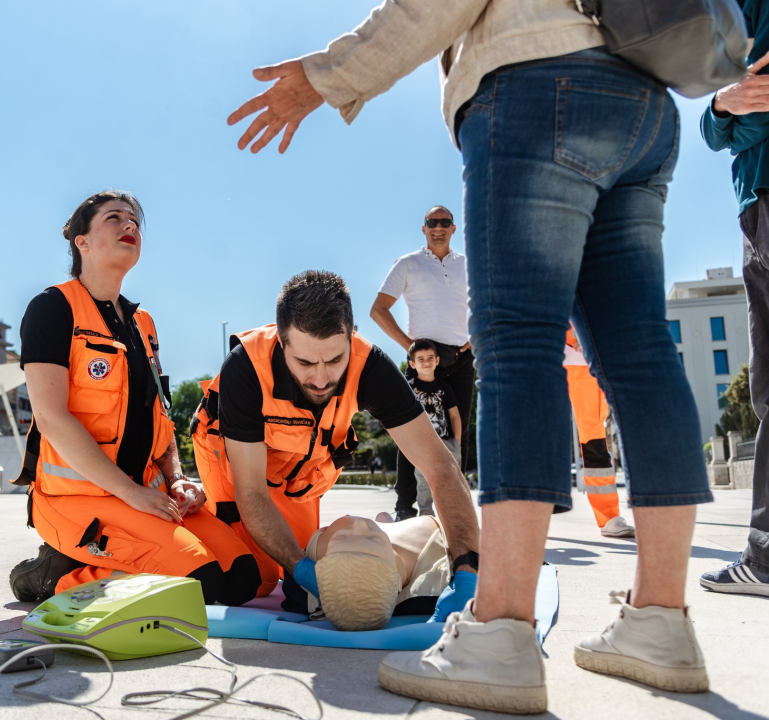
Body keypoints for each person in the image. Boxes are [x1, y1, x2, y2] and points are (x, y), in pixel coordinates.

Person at [228, 0, 712, 711]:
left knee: (517, 348)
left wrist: (326, 77)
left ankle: (500, 635)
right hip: (645, 105)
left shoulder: (364, 358)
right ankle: (660, 622)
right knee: (640, 352)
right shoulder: (265, 361)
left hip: (537, 87)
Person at [8, 190, 261, 607]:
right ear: (82, 241)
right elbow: (51, 417)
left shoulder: (143, 324)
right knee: (201, 583)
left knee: (246, 578)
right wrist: (130, 492)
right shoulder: (53, 307)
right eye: (114, 218)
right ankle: (58, 575)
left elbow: (159, 417)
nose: (129, 225)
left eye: (134, 221)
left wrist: (177, 479)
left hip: (144, 495)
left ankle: (110, 555)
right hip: (76, 500)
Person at [190, 270, 480, 621]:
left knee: (312, 558)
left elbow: (439, 465)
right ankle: (184, 514)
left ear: (350, 338)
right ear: (282, 343)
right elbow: (251, 491)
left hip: (295, 470)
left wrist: (468, 570)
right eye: (305, 362)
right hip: (236, 461)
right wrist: (300, 569)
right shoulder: (246, 369)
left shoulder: (371, 367)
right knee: (254, 578)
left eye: (335, 360)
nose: (321, 379)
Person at [700, 0, 769, 597]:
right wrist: (724, 106)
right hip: (756, 203)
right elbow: (715, 121)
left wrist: (727, 115)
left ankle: (767, 559)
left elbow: (749, 111)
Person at [370, 205, 473, 519]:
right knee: (411, 432)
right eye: (432, 222)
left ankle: (454, 508)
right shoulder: (408, 263)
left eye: (444, 222)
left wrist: (476, 336)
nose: (438, 227)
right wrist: (410, 347)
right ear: (424, 228)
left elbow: (489, 303)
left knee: (458, 434)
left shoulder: (468, 265)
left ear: (453, 228)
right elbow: (378, 309)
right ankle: (405, 507)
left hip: (461, 359)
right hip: (423, 361)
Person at [306, 513, 450, 631]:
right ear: (397, 581)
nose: (359, 524)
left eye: (341, 536)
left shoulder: (319, 550)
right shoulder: (439, 567)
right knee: (382, 518)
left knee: (381, 518)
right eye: (373, 538)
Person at [565, 327, 635, 538]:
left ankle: (609, 516)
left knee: (594, 439)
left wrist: (585, 333)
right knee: (535, 432)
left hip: (581, 360)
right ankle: (528, 509)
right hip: (540, 353)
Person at [404, 340, 461, 518]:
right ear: (412, 364)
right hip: (421, 445)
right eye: (420, 359)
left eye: (430, 358)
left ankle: (452, 517)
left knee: (451, 481)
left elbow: (455, 416)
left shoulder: (444, 387)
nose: (426, 362)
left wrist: (457, 443)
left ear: (437, 361)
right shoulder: (409, 387)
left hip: (445, 443)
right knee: (423, 483)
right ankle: (426, 518)